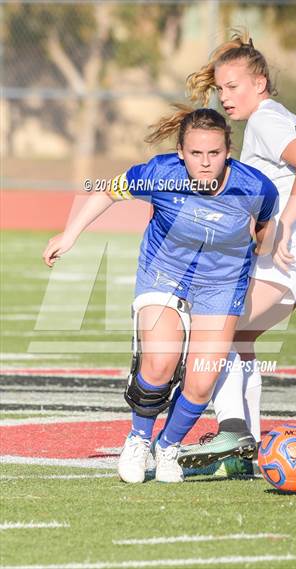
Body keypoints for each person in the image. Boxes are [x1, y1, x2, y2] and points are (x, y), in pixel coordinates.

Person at [42, 107, 279, 483]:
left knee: (202, 378)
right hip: (163, 274)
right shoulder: (158, 173)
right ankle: (138, 440)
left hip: (222, 283)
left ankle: (167, 446)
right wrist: (69, 235)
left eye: (214, 154)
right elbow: (105, 192)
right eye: (196, 154)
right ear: (181, 152)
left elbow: (266, 223)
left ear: (228, 151)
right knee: (160, 362)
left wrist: (267, 246)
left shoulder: (256, 186)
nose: (205, 163)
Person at [179, 33, 296, 469]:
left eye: (233, 86)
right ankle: (244, 447)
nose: (225, 96)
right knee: (238, 336)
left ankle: (232, 434)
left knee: (212, 330)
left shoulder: (264, 120)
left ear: (259, 83)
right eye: (220, 88)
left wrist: (286, 226)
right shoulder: (283, 118)